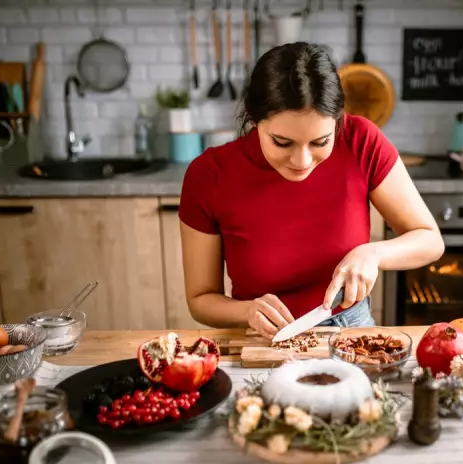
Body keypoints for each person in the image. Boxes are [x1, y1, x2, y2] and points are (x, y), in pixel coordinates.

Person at [178, 42, 444, 339]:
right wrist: (246, 311)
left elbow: (430, 240)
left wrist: (374, 253)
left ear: (338, 120)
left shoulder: (361, 141)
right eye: (282, 142)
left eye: (320, 142)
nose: (302, 161)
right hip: (259, 338)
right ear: (254, 120)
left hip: (351, 331)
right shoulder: (209, 174)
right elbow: (200, 300)